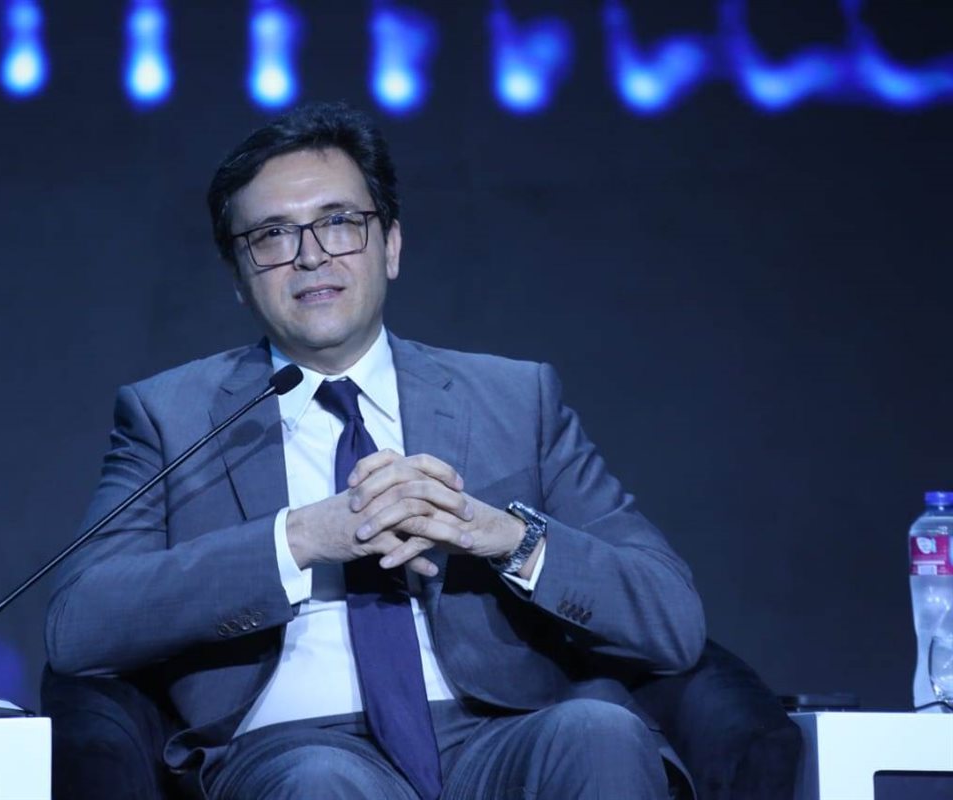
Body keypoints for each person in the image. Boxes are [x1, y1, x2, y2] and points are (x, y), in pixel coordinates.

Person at [45, 102, 706, 800]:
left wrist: (501, 536)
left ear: (390, 245)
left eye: (338, 222)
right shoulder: (171, 416)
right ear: (238, 275)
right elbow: (79, 624)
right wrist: (299, 539)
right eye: (272, 235)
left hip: (499, 733)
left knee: (600, 733)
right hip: (294, 748)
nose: (311, 256)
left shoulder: (515, 398)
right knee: (321, 783)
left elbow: (671, 620)